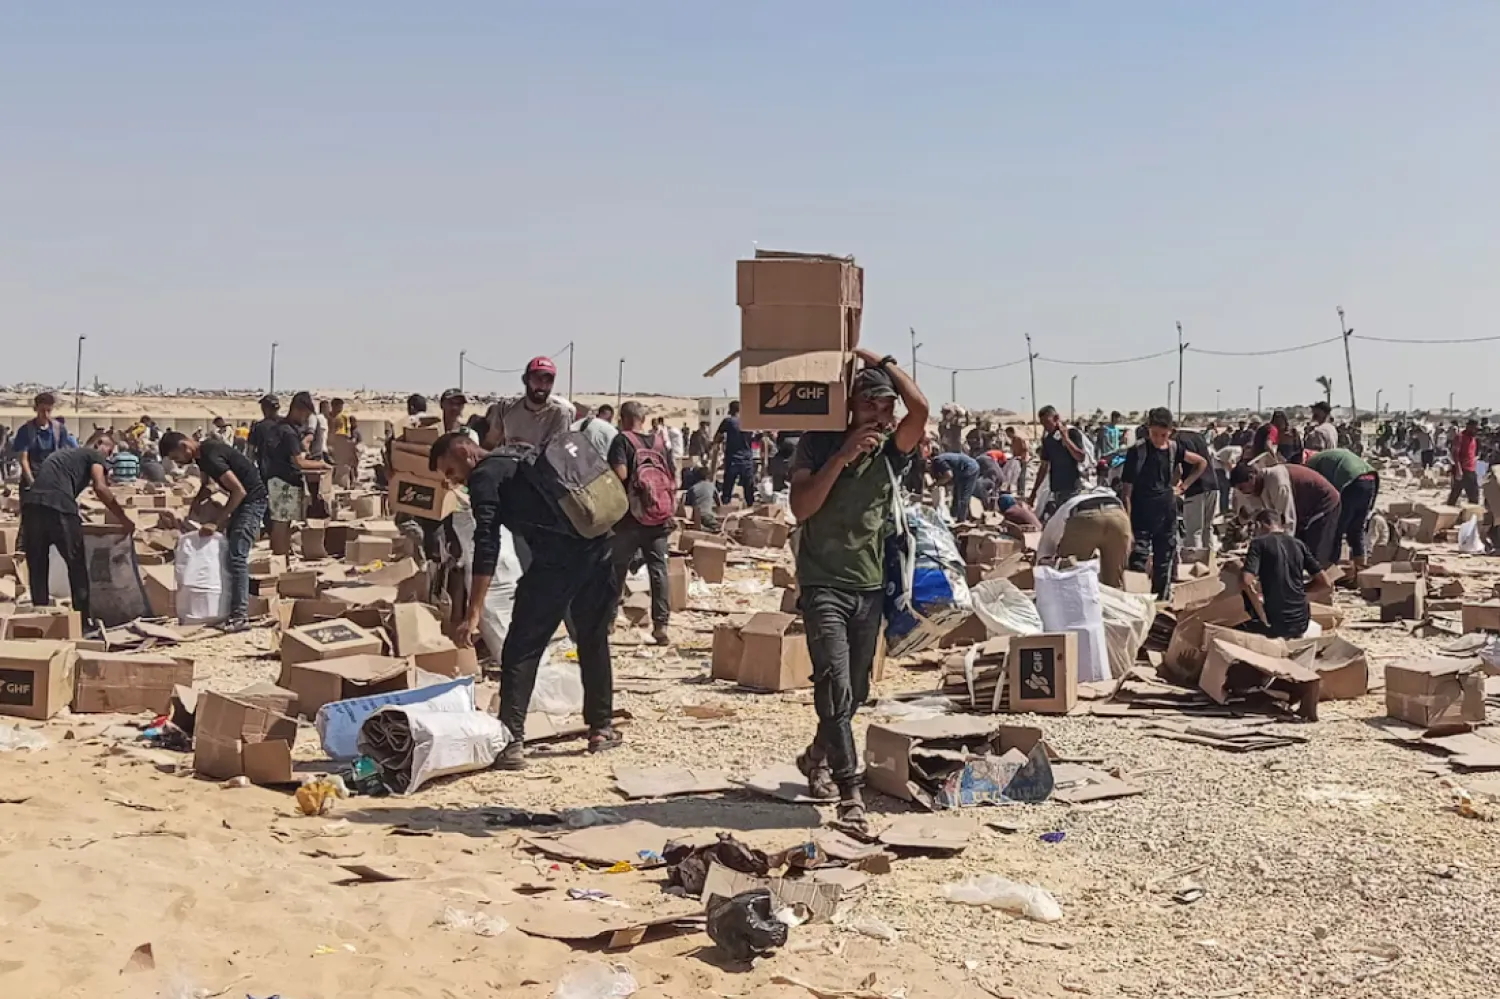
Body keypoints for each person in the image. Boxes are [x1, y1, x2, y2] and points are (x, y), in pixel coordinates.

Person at [789, 349, 927, 831]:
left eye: (886, 407)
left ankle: (816, 755)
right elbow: (802, 508)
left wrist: (880, 359)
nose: (881, 415)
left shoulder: (892, 452)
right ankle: (849, 791)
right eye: (870, 405)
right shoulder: (818, 443)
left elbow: (922, 409)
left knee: (858, 690)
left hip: (869, 584)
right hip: (821, 579)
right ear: (849, 405)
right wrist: (844, 456)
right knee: (832, 681)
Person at [432, 431, 622, 766]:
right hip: (600, 548)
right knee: (592, 638)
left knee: (522, 647)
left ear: (464, 451)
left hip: (557, 562)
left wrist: (474, 611)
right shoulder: (516, 453)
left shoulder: (484, 478)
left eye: (450, 471)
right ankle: (601, 728)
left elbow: (486, 544)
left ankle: (510, 741)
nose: (454, 481)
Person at [159, 430, 269, 631]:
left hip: (252, 501)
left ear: (185, 446)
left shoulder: (210, 455)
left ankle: (240, 616)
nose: (180, 463)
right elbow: (208, 485)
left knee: (237, 555)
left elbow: (239, 490)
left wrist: (217, 523)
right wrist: (195, 506)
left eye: (177, 457)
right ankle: (230, 607)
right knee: (228, 552)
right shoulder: (202, 457)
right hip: (242, 500)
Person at [21, 436, 133, 626]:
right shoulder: (94, 455)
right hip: (60, 507)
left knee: (38, 564)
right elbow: (100, 487)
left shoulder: (63, 454)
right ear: (99, 444)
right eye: (110, 451)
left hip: (31, 506)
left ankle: (39, 618)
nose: (109, 458)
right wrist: (124, 519)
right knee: (76, 564)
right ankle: (82, 621)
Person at [607, 402, 676, 646]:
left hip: (630, 518)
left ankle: (609, 621)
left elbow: (621, 475)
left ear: (623, 418)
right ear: (644, 419)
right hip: (658, 516)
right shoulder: (659, 443)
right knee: (659, 570)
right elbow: (671, 477)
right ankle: (661, 625)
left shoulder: (621, 441)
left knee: (618, 568)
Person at [1121, 408, 1206, 599]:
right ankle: (1137, 601)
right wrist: (1127, 523)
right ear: (1148, 429)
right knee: (1138, 559)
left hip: (1166, 514)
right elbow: (1127, 490)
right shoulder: (1138, 451)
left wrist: (1184, 486)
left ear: (1171, 432)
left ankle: (1161, 605)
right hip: (1141, 514)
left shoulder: (1175, 449)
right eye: (1154, 434)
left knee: (1164, 561)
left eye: (1163, 435)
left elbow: (1201, 463)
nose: (1159, 439)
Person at [1239, 509, 1333, 640]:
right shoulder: (1299, 544)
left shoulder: (1258, 543)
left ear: (1260, 525)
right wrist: (1299, 593)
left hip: (1275, 624)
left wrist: (1238, 569)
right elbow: (1326, 583)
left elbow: (1246, 581)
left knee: (1238, 602)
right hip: (1301, 623)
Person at [1231, 461, 1342, 569]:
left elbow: (1288, 522)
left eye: (1242, 488)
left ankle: (1322, 581)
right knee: (1299, 546)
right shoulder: (1254, 489)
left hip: (1323, 502)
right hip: (1302, 508)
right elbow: (1258, 516)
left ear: (1251, 477)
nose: (1242, 492)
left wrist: (1282, 554)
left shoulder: (1277, 482)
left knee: (1314, 549)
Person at [263, 393, 328, 555]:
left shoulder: (281, 427)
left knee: (283, 524)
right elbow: (299, 461)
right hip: (284, 482)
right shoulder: (288, 432)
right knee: (281, 525)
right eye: (306, 415)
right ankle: (279, 559)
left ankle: (281, 559)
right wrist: (321, 464)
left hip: (278, 480)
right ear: (298, 410)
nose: (306, 419)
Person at [1036, 486, 1132, 589]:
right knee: (1113, 580)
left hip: (1086, 517)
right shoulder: (1076, 501)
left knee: (1071, 573)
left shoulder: (1061, 513)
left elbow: (1045, 547)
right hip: (1119, 517)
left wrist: (1042, 560)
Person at [1305, 447, 1380, 573]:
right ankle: (1361, 570)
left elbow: (1320, 492)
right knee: (1356, 529)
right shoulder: (1326, 457)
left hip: (1352, 482)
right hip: (1370, 480)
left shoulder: (1311, 465)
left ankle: (1331, 571)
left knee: (1336, 529)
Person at [483, 356, 573, 450]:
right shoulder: (506, 409)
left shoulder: (559, 415)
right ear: (525, 379)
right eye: (537, 379)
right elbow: (490, 443)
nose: (543, 386)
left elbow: (557, 454)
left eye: (549, 380)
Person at [1028, 406, 1088, 516]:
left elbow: (1080, 457)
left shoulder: (1072, 433)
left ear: (1056, 418)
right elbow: (1044, 467)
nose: (1046, 427)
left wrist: (1066, 439)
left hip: (1072, 487)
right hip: (1056, 489)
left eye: (1047, 422)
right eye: (1043, 424)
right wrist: (1033, 493)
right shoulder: (1048, 440)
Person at [13, 392, 74, 491]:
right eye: (42, 410)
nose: (45, 414)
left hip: (53, 478)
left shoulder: (59, 429)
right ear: (35, 409)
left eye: (48, 410)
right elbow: (23, 460)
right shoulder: (26, 430)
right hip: (32, 477)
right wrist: (32, 483)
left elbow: (63, 456)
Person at [1174, 424, 1219, 557]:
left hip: (1195, 487)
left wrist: (1180, 487)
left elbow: (1179, 470)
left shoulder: (1177, 442)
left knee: (1193, 531)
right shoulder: (1197, 436)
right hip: (1213, 485)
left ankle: (1194, 564)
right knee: (1207, 528)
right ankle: (1211, 561)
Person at [713, 400, 756, 506]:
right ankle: (750, 511)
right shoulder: (749, 422)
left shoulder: (728, 421)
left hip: (732, 459)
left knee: (727, 489)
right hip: (746, 460)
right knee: (749, 491)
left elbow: (717, 437)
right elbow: (756, 438)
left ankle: (724, 512)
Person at [929, 452, 981, 523]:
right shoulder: (938, 463)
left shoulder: (938, 461)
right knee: (956, 494)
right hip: (962, 470)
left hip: (970, 468)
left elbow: (949, 475)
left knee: (964, 495)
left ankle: (961, 520)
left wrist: (934, 484)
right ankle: (953, 515)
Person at [1448, 418, 1481, 506]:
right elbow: (1455, 454)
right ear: (1469, 427)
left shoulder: (1473, 438)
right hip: (1462, 470)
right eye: (1475, 428)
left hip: (1471, 469)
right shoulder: (1460, 437)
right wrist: (1459, 470)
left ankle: (1471, 514)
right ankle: (1447, 513)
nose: (1476, 431)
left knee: (1473, 495)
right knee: (1456, 494)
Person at [682, 466, 720, 530]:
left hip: (695, 517)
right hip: (707, 516)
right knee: (719, 528)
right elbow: (719, 504)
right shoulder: (711, 486)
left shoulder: (692, 489)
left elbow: (687, 506)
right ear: (707, 476)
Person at [1006, 427, 1031, 497]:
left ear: (1012, 432)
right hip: (1016, 460)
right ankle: (1018, 491)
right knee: (1016, 475)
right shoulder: (1013, 441)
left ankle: (1022, 492)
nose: (1008, 436)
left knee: (1021, 476)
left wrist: (1021, 457)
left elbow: (1025, 449)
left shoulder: (1019, 439)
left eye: (1008, 434)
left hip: (1023, 460)